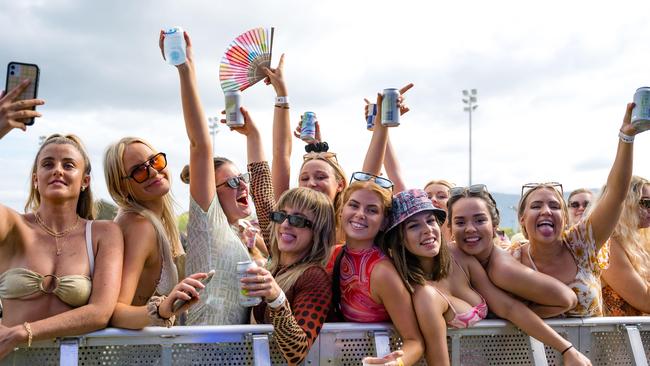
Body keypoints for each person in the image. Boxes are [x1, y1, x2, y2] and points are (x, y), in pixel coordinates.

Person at [365, 89, 576, 318]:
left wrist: (513, 318)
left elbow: (561, 300)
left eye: (442, 196)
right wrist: (380, 127)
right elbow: (395, 178)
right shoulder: (430, 246)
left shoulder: (498, 262)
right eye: (429, 196)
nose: (434, 200)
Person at [385, 190, 591, 365]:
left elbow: (508, 308)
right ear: (400, 238)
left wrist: (567, 349)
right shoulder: (415, 289)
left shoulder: (460, 256)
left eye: (431, 220)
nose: (427, 230)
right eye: (413, 226)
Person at [0, 82, 123, 361]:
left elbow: (99, 312)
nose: (57, 170)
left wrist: (20, 332)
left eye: (68, 165)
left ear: (84, 181)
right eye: (47, 164)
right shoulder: (11, 227)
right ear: (35, 178)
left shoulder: (103, 233)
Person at [160, 30, 276, 325]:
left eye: (243, 179)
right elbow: (200, 145)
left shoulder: (240, 232)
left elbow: (264, 185)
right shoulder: (206, 226)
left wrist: (254, 135)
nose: (243, 186)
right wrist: (186, 70)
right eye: (233, 182)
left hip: (232, 353)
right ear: (212, 194)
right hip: (200, 353)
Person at [510, 103, 643, 317]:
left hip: (589, 351)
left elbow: (616, 195)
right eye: (536, 206)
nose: (546, 211)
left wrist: (626, 137)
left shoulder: (581, 245)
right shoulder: (510, 258)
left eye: (554, 206)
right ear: (522, 219)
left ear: (564, 218)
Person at [241, 188, 334, 365]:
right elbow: (262, 194)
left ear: (318, 232)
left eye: (298, 220)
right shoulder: (273, 266)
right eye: (281, 215)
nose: (285, 224)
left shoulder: (314, 276)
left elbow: (297, 352)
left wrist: (277, 299)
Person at [266, 56, 348, 245]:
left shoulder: (349, 224)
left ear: (341, 184)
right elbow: (281, 155)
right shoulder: (288, 221)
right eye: (304, 178)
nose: (311, 183)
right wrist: (281, 94)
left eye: (320, 177)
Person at [600, 176, 650, 315]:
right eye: (647, 203)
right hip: (617, 335)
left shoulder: (639, 240)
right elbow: (645, 301)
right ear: (625, 204)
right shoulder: (606, 245)